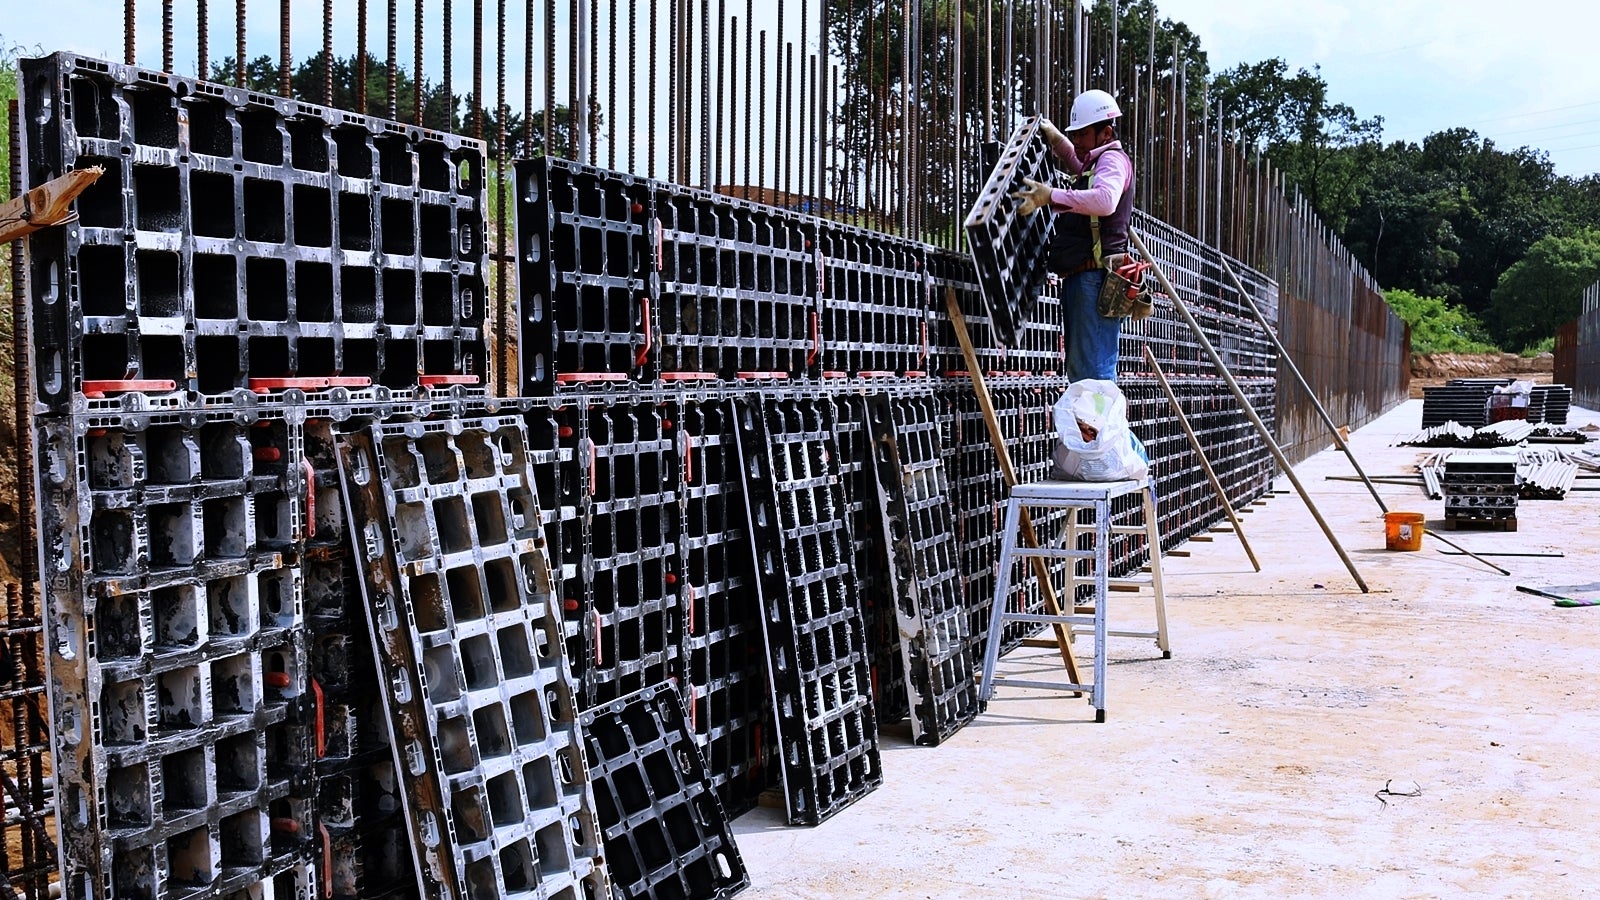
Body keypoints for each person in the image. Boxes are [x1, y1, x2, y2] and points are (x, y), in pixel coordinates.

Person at [1010, 89, 1135, 383]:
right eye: (1073, 134)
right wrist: (1058, 141)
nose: (1076, 141)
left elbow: (1105, 200)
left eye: (1082, 134)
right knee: (1085, 377)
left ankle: (1109, 431)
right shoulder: (1097, 163)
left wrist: (1050, 195)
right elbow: (1081, 168)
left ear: (1105, 132)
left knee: (1094, 380)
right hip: (1085, 280)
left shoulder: (1113, 161)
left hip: (1094, 279)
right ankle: (1104, 430)